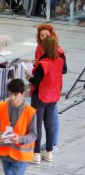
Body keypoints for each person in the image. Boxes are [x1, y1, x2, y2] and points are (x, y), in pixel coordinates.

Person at [27, 36, 63, 164]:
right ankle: (49, 152)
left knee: (36, 126)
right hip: (53, 97)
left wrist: (28, 77)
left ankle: (36, 154)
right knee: (49, 124)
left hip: (40, 97)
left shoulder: (43, 64)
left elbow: (35, 81)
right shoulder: (59, 61)